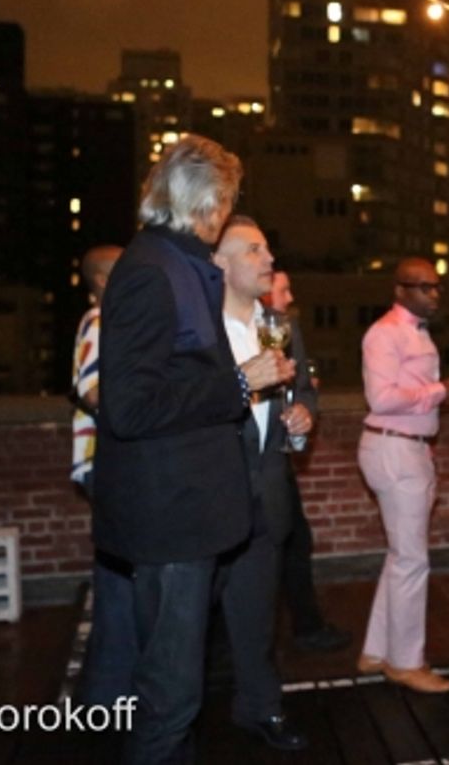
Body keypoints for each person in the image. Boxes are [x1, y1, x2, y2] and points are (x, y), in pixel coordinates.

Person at [91, 134, 289, 764]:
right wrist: (240, 383)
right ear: (204, 202)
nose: (224, 215)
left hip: (192, 515)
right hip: (171, 520)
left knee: (179, 689)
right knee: (170, 695)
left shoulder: (176, 264)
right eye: (224, 202)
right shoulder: (151, 271)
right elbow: (129, 407)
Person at [211, 219, 313, 752]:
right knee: (182, 628)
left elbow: (305, 392)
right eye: (254, 250)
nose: (269, 259)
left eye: (268, 249)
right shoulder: (197, 330)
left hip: (266, 498)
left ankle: (261, 709)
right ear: (220, 263)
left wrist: (302, 420)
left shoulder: (280, 326)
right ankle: (164, 722)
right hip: (206, 503)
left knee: (256, 620)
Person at [355, 258, 449, 694]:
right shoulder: (385, 333)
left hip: (405, 447)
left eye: (436, 286)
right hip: (395, 448)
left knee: (401, 556)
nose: (433, 294)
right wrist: (442, 390)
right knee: (411, 560)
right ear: (399, 290)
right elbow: (381, 398)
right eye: (423, 287)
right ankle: (405, 662)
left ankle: (377, 651)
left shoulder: (414, 331)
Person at [264, 270, 352, 654]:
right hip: (243, 465)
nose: (289, 296)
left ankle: (305, 626)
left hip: (278, 460)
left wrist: (304, 408)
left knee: (295, 540)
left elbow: (303, 391)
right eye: (282, 289)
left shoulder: (287, 329)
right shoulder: (225, 326)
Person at [67, 244, 138, 707]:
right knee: (119, 581)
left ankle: (110, 692)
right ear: (104, 280)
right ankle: (109, 698)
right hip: (108, 464)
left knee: (120, 576)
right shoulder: (101, 322)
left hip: (106, 464)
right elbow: (92, 391)